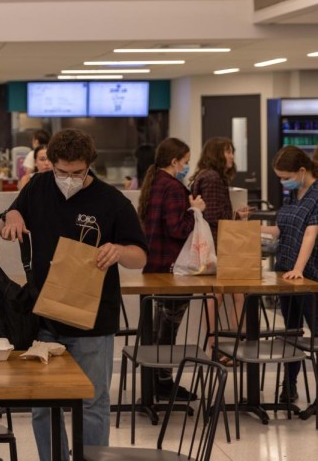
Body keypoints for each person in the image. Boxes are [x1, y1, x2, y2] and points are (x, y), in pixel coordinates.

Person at [0, 128, 147, 461]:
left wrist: (119, 251)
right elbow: (12, 214)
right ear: (50, 163)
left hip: (93, 318)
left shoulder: (112, 201)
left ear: (89, 166)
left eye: (77, 173)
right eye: (61, 172)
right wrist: (12, 217)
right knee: (41, 403)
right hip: (44, 314)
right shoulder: (38, 186)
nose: (68, 179)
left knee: (93, 401)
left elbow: (140, 256)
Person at [136, 137, 206, 399]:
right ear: (175, 161)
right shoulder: (175, 188)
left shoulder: (154, 183)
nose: (187, 167)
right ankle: (163, 381)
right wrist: (195, 210)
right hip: (173, 268)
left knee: (160, 325)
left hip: (154, 264)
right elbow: (177, 228)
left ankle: (156, 379)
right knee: (169, 326)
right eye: (186, 162)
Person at [259, 146, 318, 405]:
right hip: (286, 272)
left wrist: (299, 268)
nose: (283, 181)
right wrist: (253, 230)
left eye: (285, 176)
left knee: (315, 333)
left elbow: (310, 233)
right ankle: (289, 386)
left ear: (302, 171)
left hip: (309, 275)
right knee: (291, 331)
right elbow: (282, 229)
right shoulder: (294, 193)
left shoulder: (316, 195)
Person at [189, 136, 248, 362]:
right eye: (227, 151)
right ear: (217, 154)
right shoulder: (213, 178)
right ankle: (224, 347)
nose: (232, 156)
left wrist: (234, 217)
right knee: (231, 296)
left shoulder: (205, 175)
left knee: (221, 296)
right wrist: (232, 220)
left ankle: (221, 347)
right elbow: (213, 217)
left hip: (214, 246)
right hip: (218, 247)